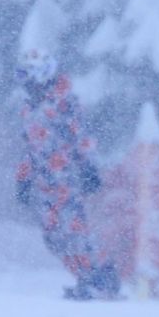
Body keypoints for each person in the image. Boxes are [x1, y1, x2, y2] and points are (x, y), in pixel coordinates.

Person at [14, 51, 121, 301]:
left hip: (66, 179)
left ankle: (102, 278)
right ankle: (85, 278)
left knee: (74, 231)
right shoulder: (30, 108)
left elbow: (80, 136)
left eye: (26, 74)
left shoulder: (63, 104)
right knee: (53, 237)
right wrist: (23, 178)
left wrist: (88, 167)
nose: (24, 82)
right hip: (43, 182)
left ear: (42, 73)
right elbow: (30, 148)